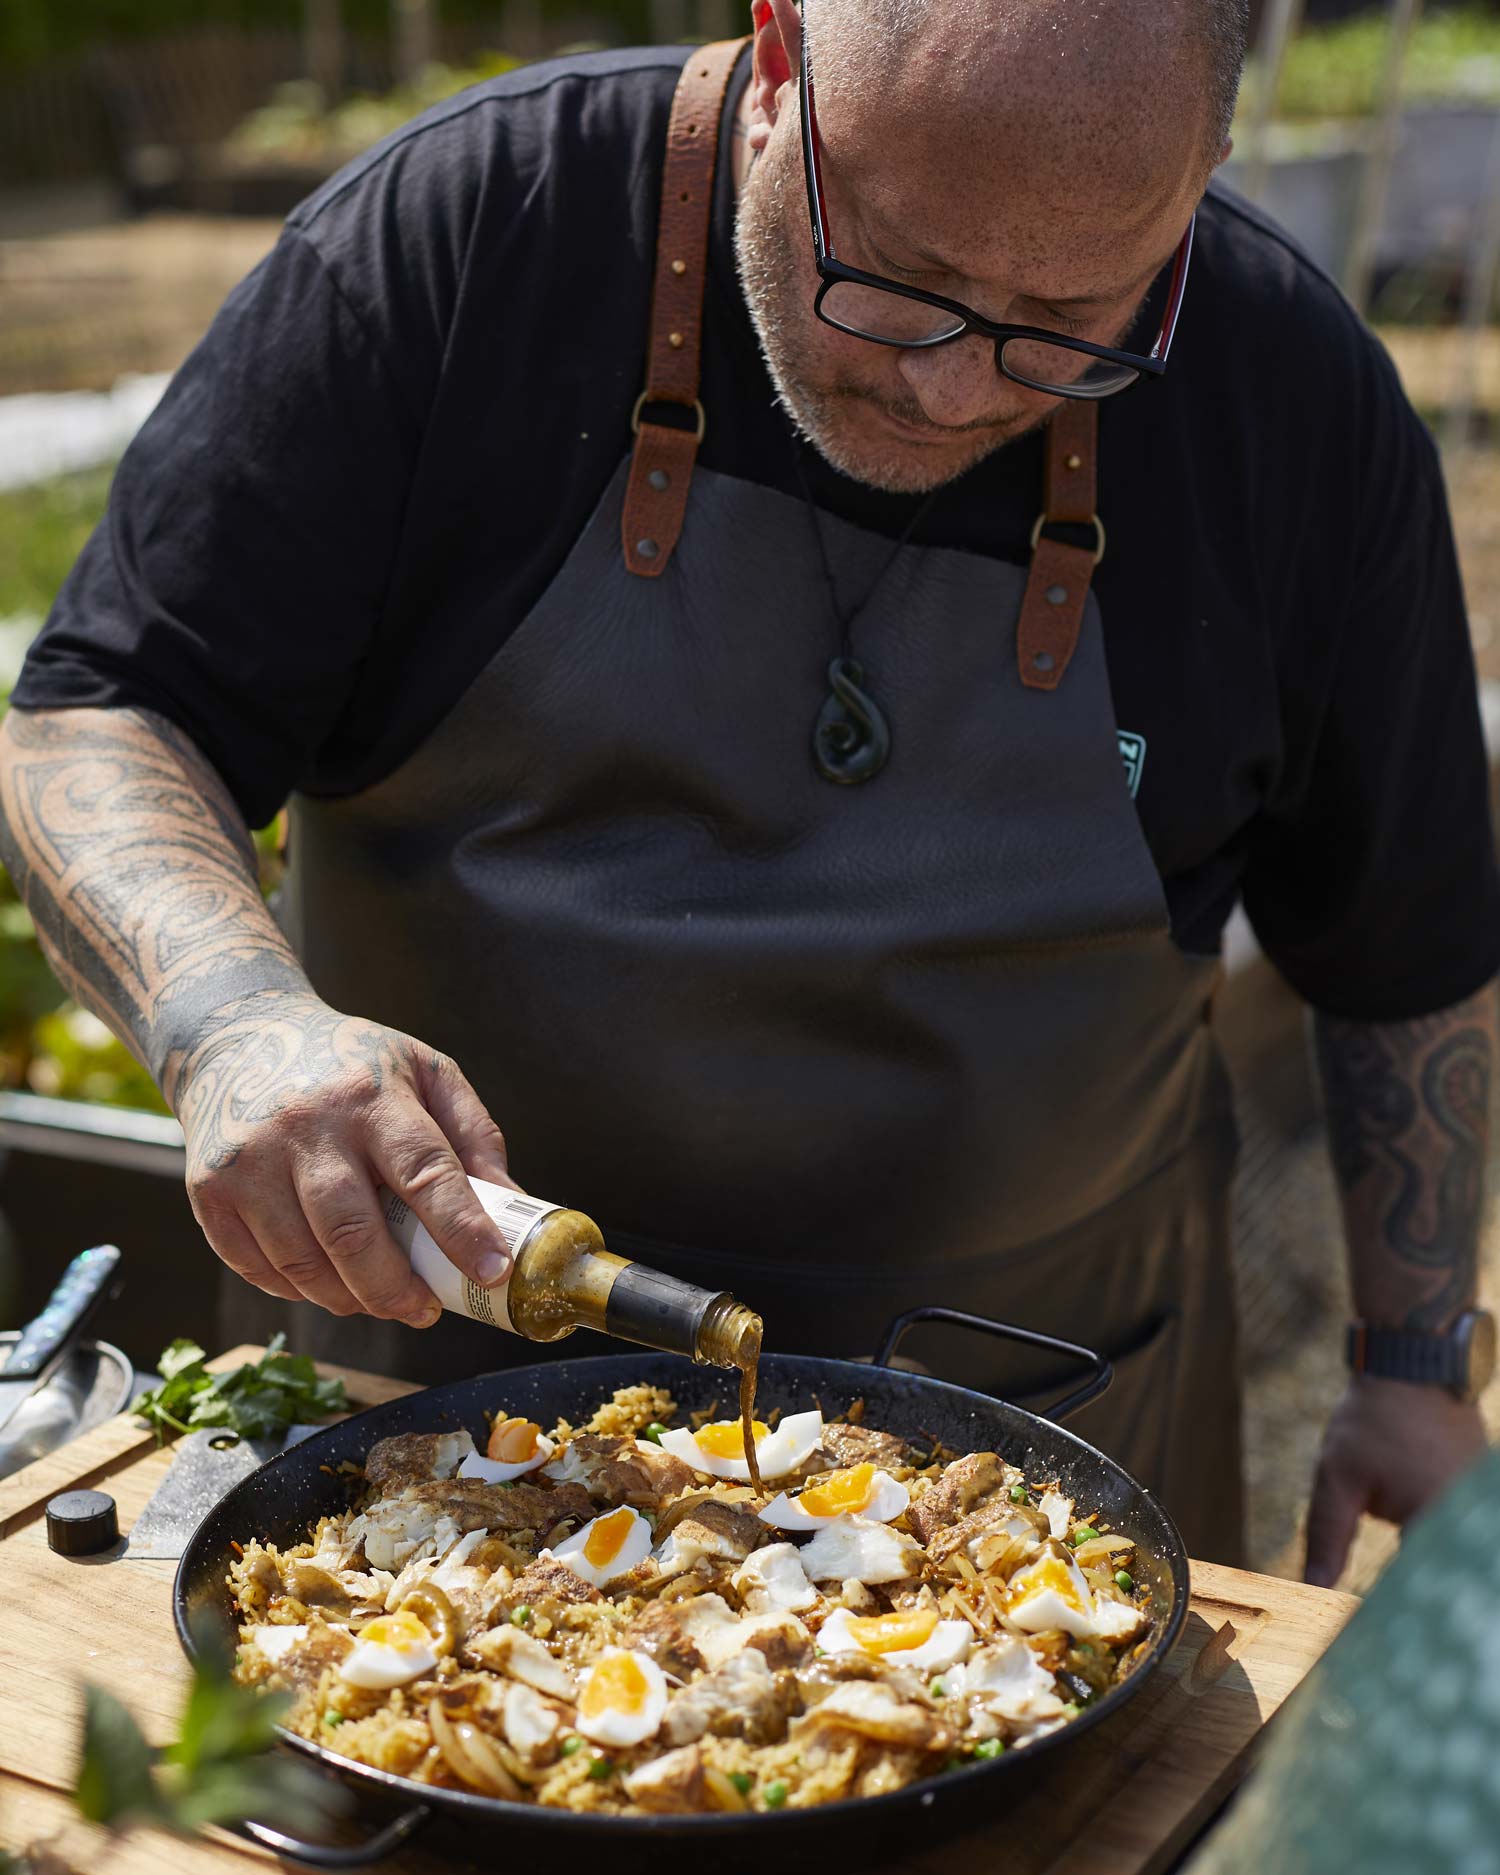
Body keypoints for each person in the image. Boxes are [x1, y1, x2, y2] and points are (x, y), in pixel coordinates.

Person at [0, 0, 1493, 1570]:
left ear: (1206, 172)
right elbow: (107, 705)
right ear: (777, 64)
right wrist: (235, 1022)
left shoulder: (1296, 401)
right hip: (423, 1426)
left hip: (1044, 1465)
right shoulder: (469, 238)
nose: (955, 390)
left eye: (1073, 319)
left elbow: (1404, 946)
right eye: (900, 283)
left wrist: (1413, 1370)